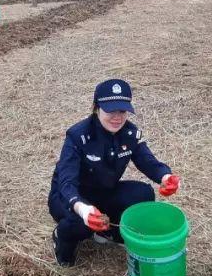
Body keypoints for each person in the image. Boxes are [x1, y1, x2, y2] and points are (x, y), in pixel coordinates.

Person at [49, 79, 181, 266]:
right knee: (80, 223)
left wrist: (166, 177)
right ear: (96, 107)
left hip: (103, 192)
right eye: (111, 110)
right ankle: (61, 237)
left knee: (143, 193)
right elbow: (66, 182)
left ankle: (108, 231)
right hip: (70, 197)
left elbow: (148, 162)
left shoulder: (130, 134)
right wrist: (83, 209)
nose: (117, 117)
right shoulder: (78, 136)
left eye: (123, 111)